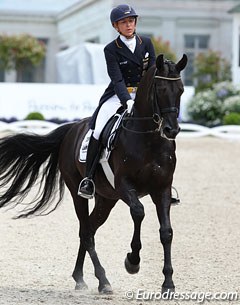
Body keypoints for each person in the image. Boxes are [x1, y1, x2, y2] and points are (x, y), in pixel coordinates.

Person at [78, 4, 156, 199]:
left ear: (135, 22)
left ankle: (164, 180)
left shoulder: (146, 43)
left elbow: (153, 72)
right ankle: (88, 179)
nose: (128, 25)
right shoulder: (111, 49)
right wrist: (127, 101)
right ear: (116, 26)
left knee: (163, 125)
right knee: (98, 129)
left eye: (131, 21)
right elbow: (117, 79)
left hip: (144, 95)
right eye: (124, 22)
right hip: (118, 95)